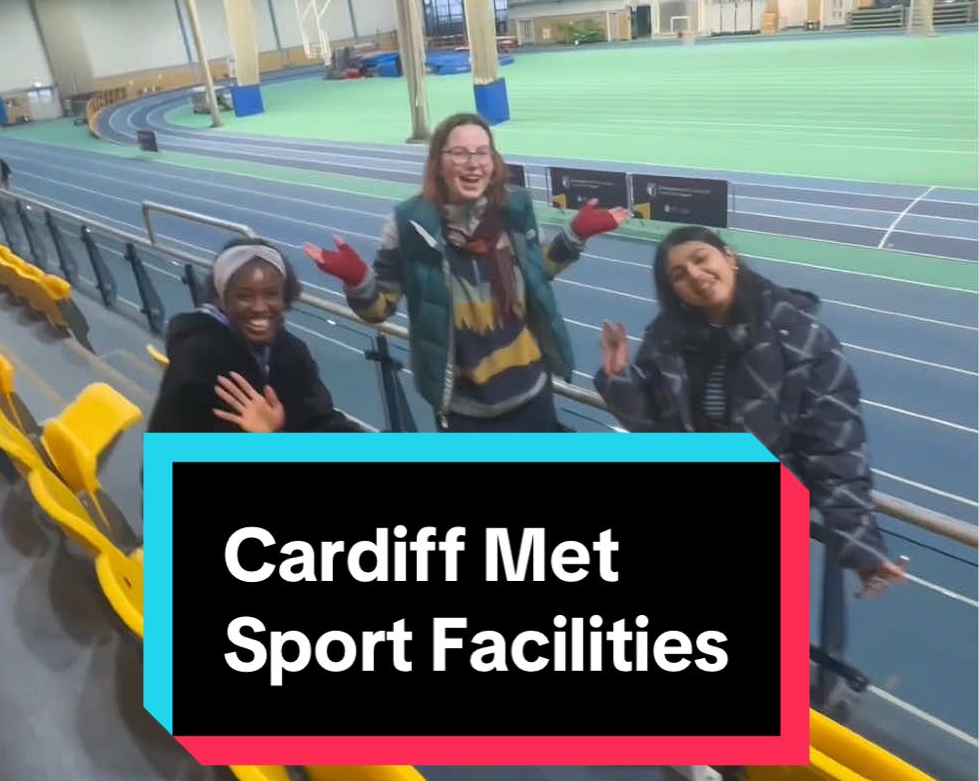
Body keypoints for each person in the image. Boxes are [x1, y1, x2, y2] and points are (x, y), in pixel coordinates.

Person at [596, 225, 905, 596]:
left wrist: (863, 549)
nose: (694, 275)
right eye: (678, 275)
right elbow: (657, 433)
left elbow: (835, 450)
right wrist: (620, 381)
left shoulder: (801, 337)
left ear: (728, 257)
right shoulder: (666, 340)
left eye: (700, 259)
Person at [305, 112, 630, 431]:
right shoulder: (408, 226)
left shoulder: (515, 211)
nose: (473, 163)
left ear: (493, 161)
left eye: (482, 152)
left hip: (532, 397)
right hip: (463, 413)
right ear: (438, 163)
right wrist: (358, 280)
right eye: (459, 153)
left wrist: (574, 236)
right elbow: (379, 309)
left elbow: (537, 274)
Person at [148, 237, 361, 434]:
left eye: (271, 294)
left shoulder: (291, 352)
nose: (260, 307)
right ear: (222, 300)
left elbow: (319, 421)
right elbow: (159, 470)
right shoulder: (198, 360)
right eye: (244, 296)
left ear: (284, 297)